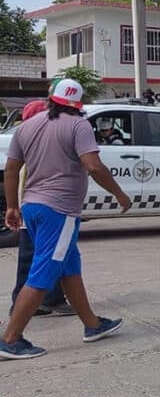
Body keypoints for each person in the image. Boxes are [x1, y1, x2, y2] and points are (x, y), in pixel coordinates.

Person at [0, 79, 133, 360]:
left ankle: (93, 325)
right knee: (44, 273)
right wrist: (120, 194)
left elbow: (11, 169)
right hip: (59, 212)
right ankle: (10, 340)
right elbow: (94, 166)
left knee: (69, 267)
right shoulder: (78, 125)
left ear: (51, 97)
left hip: (33, 208)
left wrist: (12, 206)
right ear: (78, 103)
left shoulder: (28, 125)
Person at [9, 100, 72, 318]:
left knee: (43, 257)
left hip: (32, 210)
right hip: (40, 211)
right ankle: (30, 303)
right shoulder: (36, 146)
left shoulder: (27, 139)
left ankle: (47, 299)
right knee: (43, 257)